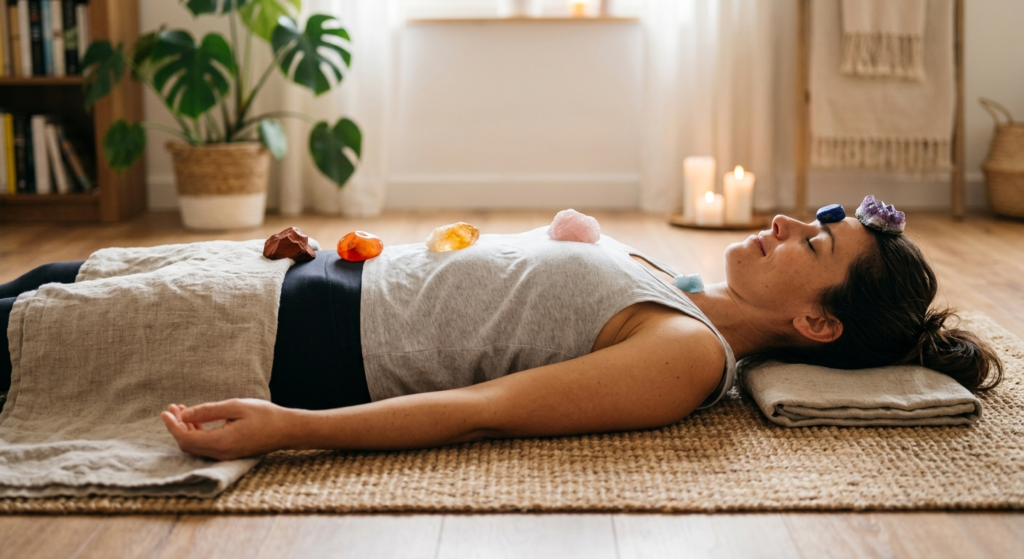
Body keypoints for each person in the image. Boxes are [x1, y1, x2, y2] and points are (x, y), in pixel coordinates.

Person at [0, 199, 1003, 462]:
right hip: (297, 277)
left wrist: (291, 426)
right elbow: (471, 273)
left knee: (22, 334)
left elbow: (484, 410)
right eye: (810, 218)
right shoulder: (675, 282)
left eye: (812, 244)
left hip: (290, 342)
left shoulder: (683, 353)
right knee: (50, 277)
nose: (787, 223)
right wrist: (327, 253)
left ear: (815, 321)